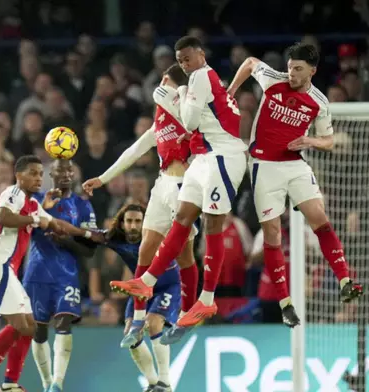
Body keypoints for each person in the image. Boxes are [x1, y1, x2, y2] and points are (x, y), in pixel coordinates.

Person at [110, 35, 248, 329]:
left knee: (211, 226)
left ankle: (206, 301)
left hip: (222, 156)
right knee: (182, 220)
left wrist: (174, 95)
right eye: (181, 61)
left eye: (188, 58)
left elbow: (189, 121)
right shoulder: (199, 83)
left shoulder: (199, 78)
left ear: (201, 54)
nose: (185, 65)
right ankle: (146, 283)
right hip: (202, 158)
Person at [226, 43, 363, 326]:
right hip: (264, 167)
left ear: (312, 71)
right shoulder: (274, 80)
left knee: (320, 219)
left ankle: (345, 280)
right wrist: (231, 90)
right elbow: (251, 61)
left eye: (298, 69)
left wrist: (311, 140)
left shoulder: (320, 103)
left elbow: (328, 140)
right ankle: (285, 302)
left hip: (295, 163)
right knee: (272, 233)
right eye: (290, 67)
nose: (291, 73)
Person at [82, 64, 198, 346]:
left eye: (165, 80)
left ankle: (187, 314)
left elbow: (172, 99)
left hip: (186, 186)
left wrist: (175, 88)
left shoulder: (189, 111)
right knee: (145, 247)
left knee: (185, 257)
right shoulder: (160, 118)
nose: (160, 84)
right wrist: (103, 177)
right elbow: (135, 150)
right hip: (161, 185)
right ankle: (136, 319)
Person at [0, 155, 100, 392]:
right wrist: (35, 219)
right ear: (19, 176)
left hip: (6, 268)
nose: (39, 178)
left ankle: (9, 383)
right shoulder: (14, 193)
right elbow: (4, 218)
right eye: (33, 173)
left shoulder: (34, 204)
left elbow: (58, 225)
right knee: (23, 325)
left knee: (30, 325)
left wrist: (88, 234)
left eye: (41, 173)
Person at [24, 159, 97, 392]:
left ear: (74, 174)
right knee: (39, 330)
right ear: (50, 175)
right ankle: (46, 382)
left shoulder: (83, 206)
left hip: (67, 274)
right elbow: (20, 231)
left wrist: (67, 241)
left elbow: (90, 249)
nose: (65, 174)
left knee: (64, 321)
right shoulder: (36, 201)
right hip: (37, 272)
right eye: (59, 170)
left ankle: (58, 383)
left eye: (69, 170)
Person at [97, 204, 177, 392]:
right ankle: (152, 383)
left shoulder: (155, 235)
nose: (134, 226)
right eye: (129, 221)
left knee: (153, 323)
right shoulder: (117, 240)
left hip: (167, 286)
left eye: (138, 221)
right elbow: (93, 235)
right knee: (130, 335)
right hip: (140, 289)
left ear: (145, 222)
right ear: (122, 223)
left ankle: (165, 383)